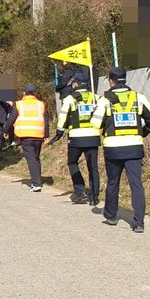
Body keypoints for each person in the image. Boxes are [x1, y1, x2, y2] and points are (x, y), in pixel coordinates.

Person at [90, 66, 150, 232]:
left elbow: (95, 123)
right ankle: (139, 222)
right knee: (136, 184)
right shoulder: (138, 97)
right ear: (125, 79)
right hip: (134, 147)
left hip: (113, 149)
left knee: (113, 182)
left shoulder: (105, 100)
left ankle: (111, 215)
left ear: (111, 81)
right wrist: (143, 133)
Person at [48, 71, 101, 205]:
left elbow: (63, 117)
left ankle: (80, 191)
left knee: (72, 162)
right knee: (93, 167)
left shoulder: (70, 99)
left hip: (76, 138)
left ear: (76, 83)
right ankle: (94, 197)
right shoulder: (96, 98)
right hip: (93, 137)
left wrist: (58, 134)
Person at [3, 83, 49, 192]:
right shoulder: (41, 104)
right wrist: (46, 135)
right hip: (38, 135)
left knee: (31, 159)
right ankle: (38, 181)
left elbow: (12, 118)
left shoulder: (19, 104)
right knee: (36, 158)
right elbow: (46, 121)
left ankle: (36, 184)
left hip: (25, 135)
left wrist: (5, 130)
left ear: (24, 93)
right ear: (35, 93)